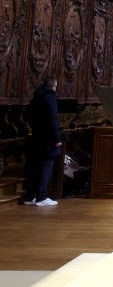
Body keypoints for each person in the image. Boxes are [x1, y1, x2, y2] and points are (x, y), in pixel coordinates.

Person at [23, 76, 62, 207]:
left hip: (36, 136)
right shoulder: (50, 97)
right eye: (56, 87)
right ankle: (41, 197)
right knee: (46, 166)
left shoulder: (36, 97)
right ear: (53, 86)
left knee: (33, 167)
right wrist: (57, 139)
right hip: (48, 138)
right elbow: (53, 119)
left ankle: (29, 196)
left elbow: (27, 114)